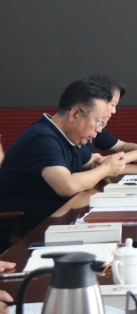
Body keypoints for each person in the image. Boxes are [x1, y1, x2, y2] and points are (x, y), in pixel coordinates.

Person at [0, 79, 126, 252]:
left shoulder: (69, 137)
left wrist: (102, 167)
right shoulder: (42, 138)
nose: (99, 130)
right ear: (75, 115)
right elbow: (67, 186)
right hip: (25, 236)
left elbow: (92, 164)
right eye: (99, 122)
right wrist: (105, 169)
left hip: (57, 225)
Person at [86, 74, 137, 161]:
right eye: (112, 105)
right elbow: (98, 162)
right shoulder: (82, 131)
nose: (114, 111)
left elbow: (121, 146)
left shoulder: (97, 129)